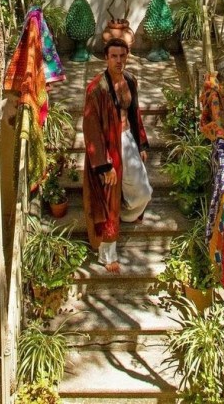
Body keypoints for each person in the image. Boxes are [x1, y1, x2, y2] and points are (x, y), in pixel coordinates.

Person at [82, 38, 152, 272]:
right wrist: (103, 165)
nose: (118, 60)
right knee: (108, 201)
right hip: (107, 148)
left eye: (122, 56)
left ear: (127, 56)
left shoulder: (130, 80)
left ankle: (126, 214)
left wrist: (141, 144)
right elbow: (91, 128)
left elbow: (135, 113)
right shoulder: (96, 89)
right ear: (106, 57)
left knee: (143, 191)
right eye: (114, 56)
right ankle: (106, 255)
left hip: (128, 139)